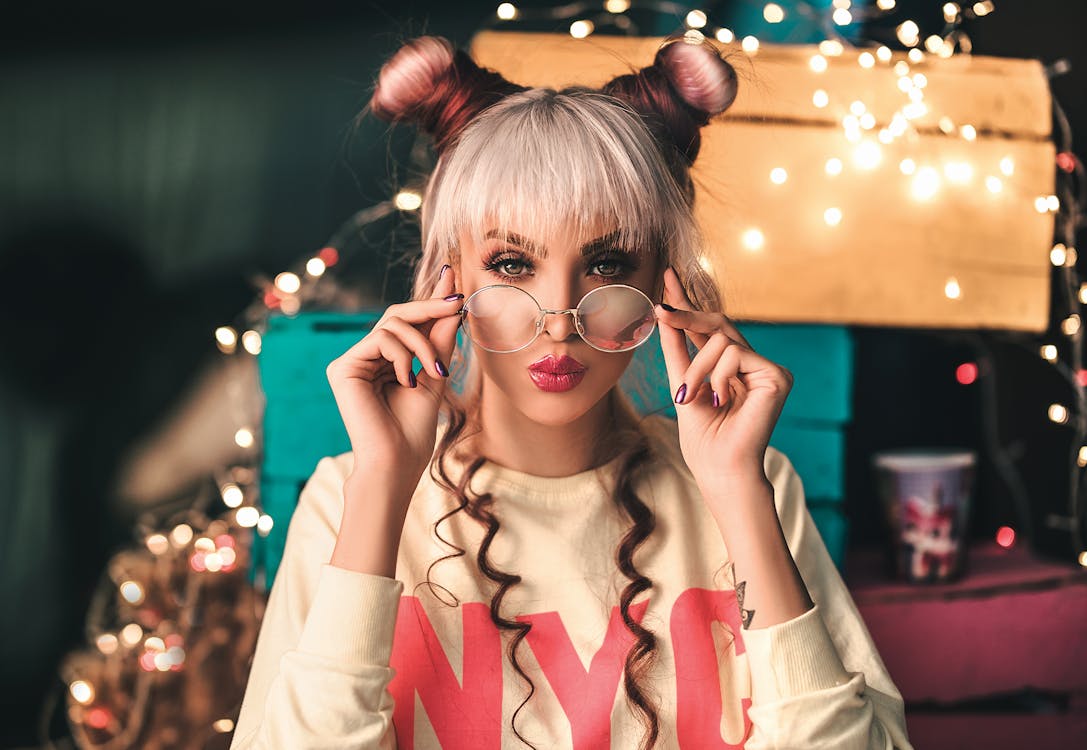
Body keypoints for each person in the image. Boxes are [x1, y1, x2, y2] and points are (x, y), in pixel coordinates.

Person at [231, 33, 913, 750]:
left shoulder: (751, 483)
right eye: (512, 262)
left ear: (662, 284)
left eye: (607, 263)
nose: (559, 320)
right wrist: (383, 484)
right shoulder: (349, 498)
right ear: (449, 278)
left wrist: (736, 491)